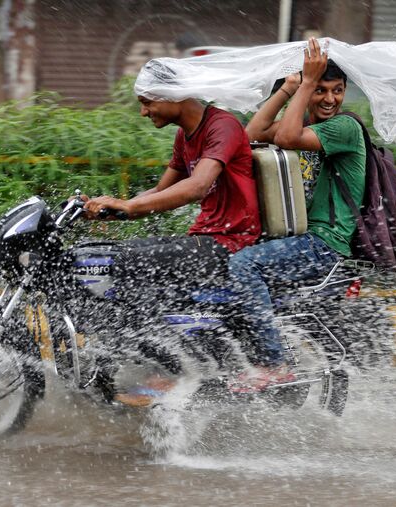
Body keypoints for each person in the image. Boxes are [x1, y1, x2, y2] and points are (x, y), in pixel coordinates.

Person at [227, 37, 366, 392]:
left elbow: (286, 138)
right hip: (301, 239)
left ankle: (274, 364)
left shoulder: (344, 129)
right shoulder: (309, 127)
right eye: (321, 90)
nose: (330, 99)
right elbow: (252, 134)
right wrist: (290, 87)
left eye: (337, 90)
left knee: (245, 265)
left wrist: (306, 83)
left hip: (325, 243)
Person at [80, 60, 261, 311]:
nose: (144, 112)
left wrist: (129, 206)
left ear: (173, 95)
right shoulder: (183, 136)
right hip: (206, 237)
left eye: (147, 102)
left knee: (128, 259)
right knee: (108, 254)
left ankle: (151, 341)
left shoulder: (223, 126)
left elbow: (197, 185)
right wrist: (107, 207)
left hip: (232, 243)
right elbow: (159, 192)